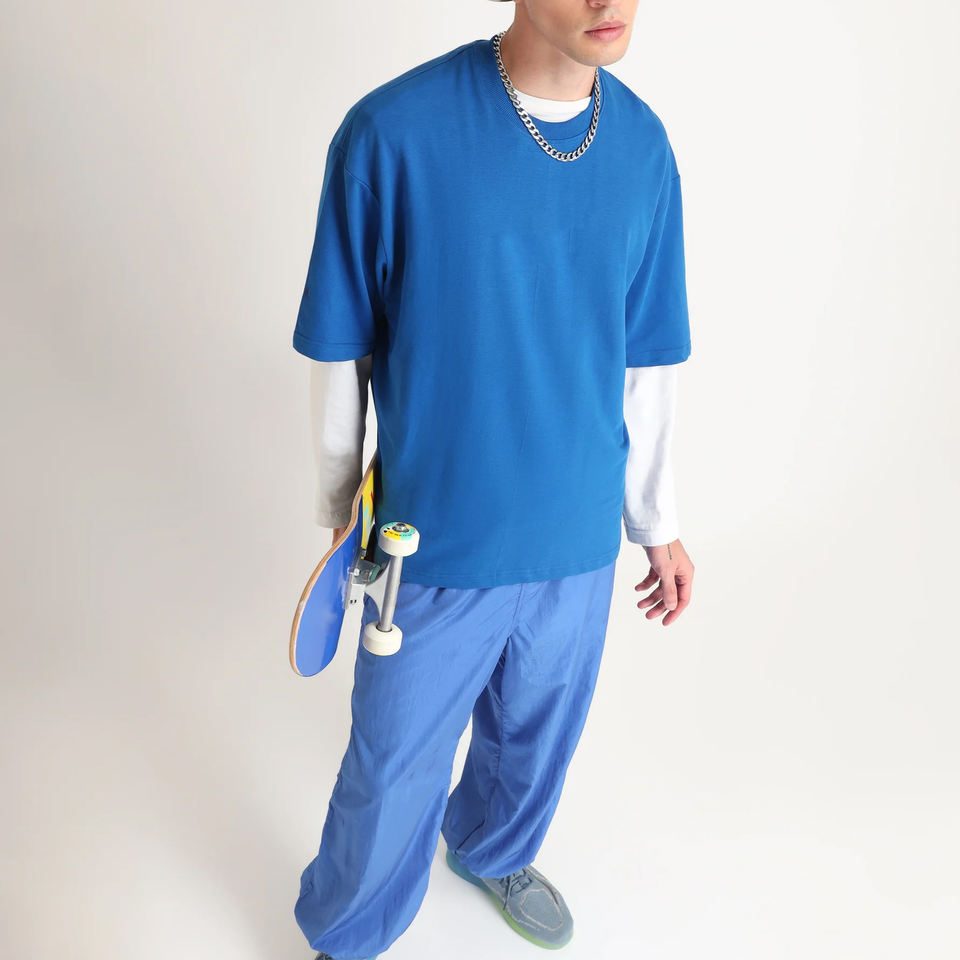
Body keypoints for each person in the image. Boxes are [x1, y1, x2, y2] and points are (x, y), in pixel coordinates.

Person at [291, 3, 695, 957]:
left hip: (577, 537)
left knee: (538, 735)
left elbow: (648, 359)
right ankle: (346, 935)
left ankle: (490, 848)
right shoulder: (393, 134)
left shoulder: (643, 149)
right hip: (436, 540)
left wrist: (656, 522)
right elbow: (339, 351)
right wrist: (340, 513)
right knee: (394, 766)